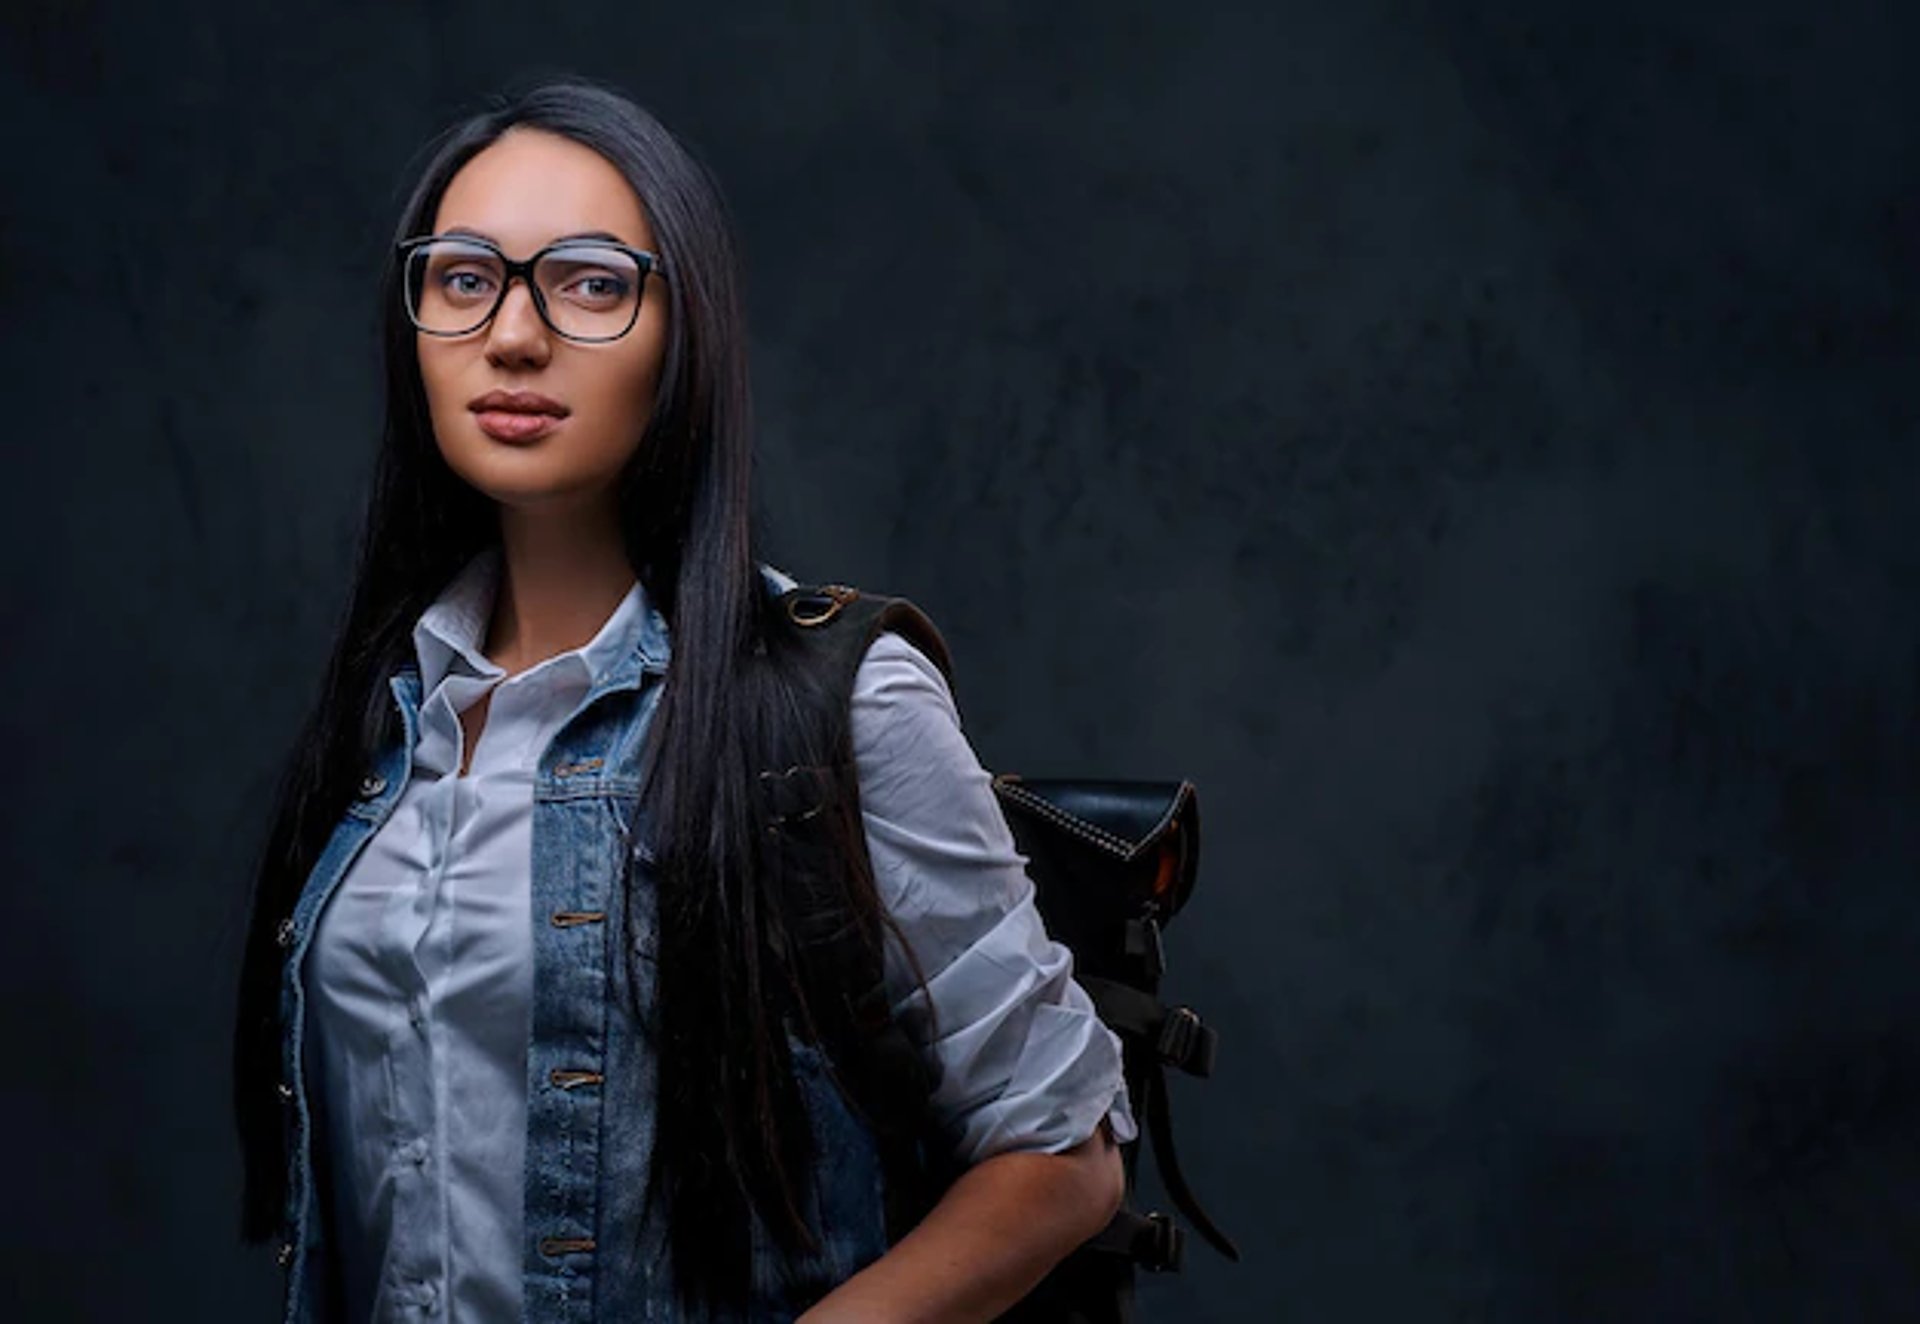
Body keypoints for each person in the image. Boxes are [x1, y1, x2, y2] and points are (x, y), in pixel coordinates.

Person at [231, 75, 1137, 1323]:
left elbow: (1065, 1150)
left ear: (685, 333)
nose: (513, 334)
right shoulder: (387, 717)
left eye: (592, 281)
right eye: (462, 276)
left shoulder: (832, 703)